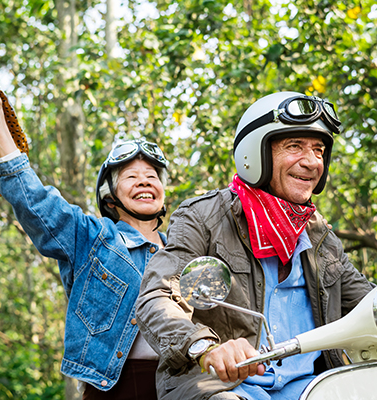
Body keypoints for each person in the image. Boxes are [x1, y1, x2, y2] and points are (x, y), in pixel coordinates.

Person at [135, 92, 375, 400]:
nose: (312, 161)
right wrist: (205, 347)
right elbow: (159, 295)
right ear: (255, 152)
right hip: (224, 387)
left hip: (313, 388)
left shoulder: (320, 237)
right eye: (294, 146)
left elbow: (368, 302)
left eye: (319, 150)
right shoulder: (203, 217)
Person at [0, 74, 168, 400]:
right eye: (131, 177)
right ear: (110, 196)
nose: (144, 182)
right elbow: (33, 200)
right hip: (114, 387)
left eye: (151, 176)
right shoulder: (93, 238)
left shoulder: (186, 249)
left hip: (183, 384)